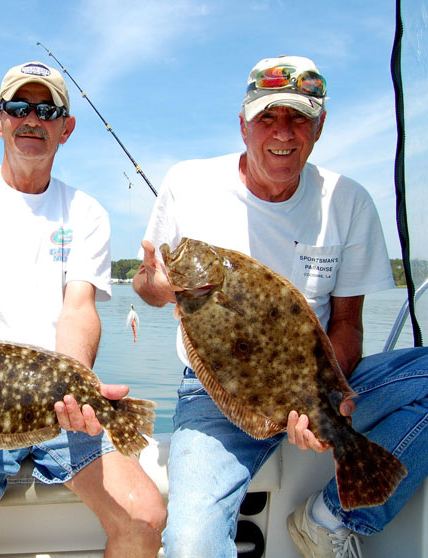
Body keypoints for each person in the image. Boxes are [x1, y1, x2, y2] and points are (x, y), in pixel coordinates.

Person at [132, 55, 428, 557]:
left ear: (320, 125)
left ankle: (333, 516)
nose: (283, 132)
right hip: (215, 395)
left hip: (321, 383)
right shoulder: (188, 183)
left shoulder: (348, 200)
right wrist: (159, 288)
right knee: (189, 544)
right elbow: (145, 281)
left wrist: (327, 402)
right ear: (243, 124)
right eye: (267, 116)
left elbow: (348, 325)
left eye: (299, 118)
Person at [0, 61, 166, 557]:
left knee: (145, 516)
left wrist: (76, 393)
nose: (31, 119)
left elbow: (78, 310)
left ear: (65, 128)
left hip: (61, 403)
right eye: (18, 107)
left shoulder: (86, 212)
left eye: (47, 111)